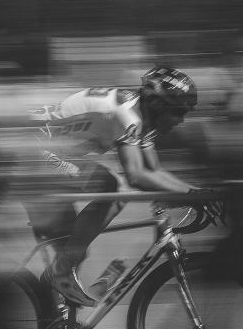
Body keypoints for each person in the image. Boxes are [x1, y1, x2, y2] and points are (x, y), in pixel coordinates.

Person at [26, 66, 213, 314]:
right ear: (158, 105)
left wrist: (197, 192)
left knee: (73, 248)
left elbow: (155, 171)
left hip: (45, 151)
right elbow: (137, 175)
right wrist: (193, 196)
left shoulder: (140, 117)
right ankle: (58, 282)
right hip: (32, 151)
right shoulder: (129, 116)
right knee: (112, 186)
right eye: (178, 112)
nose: (181, 120)